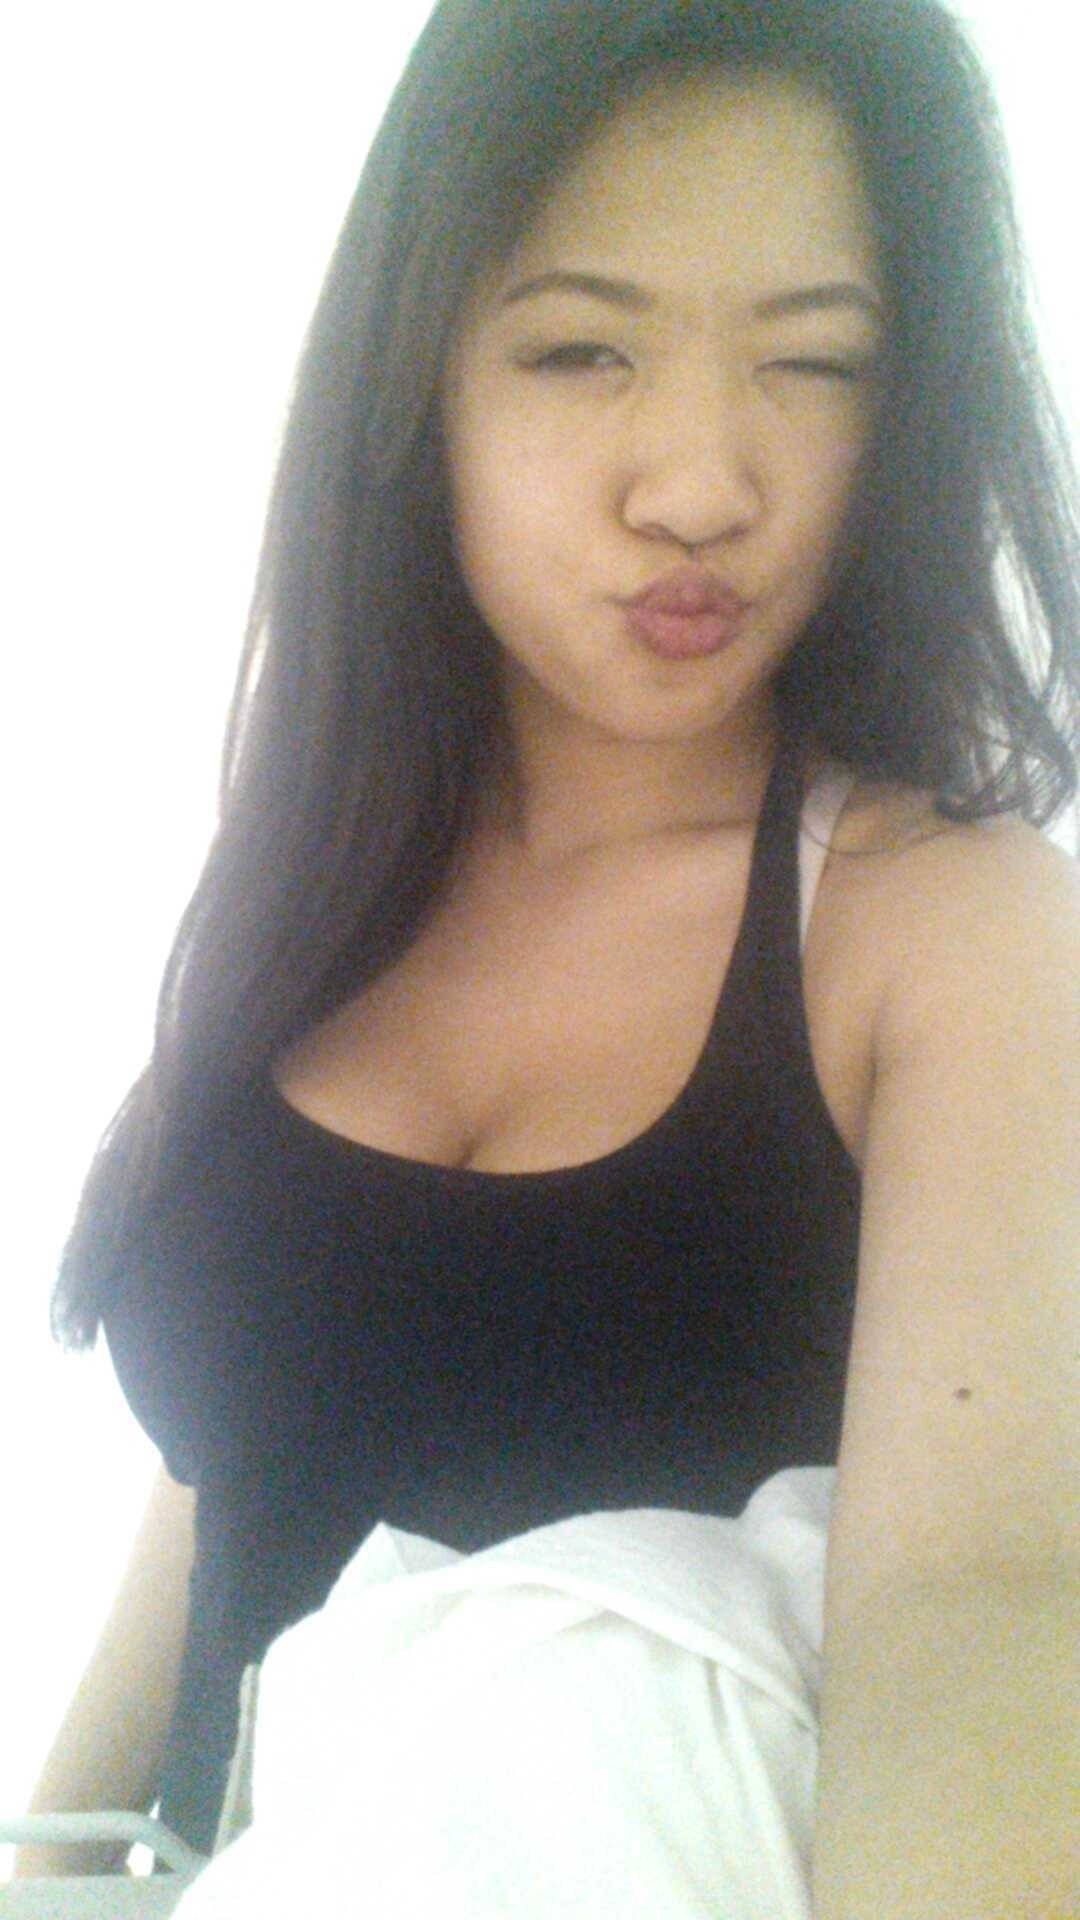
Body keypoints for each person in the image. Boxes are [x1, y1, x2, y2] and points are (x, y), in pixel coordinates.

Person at [18, 0, 1077, 1910]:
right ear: (416, 379)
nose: (702, 483)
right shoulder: (315, 878)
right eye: (585, 346)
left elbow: (986, 1621)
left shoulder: (946, 926)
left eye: (816, 360)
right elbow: (219, 1484)